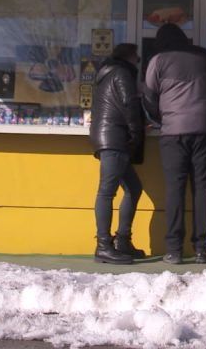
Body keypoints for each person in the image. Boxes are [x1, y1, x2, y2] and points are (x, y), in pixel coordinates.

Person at [143, 22, 206, 264]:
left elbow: (148, 97)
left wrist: (161, 119)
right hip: (204, 131)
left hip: (173, 133)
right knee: (202, 188)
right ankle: (201, 248)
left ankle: (174, 250)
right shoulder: (204, 56)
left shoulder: (158, 60)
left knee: (175, 189)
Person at [89, 43, 146, 264]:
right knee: (107, 191)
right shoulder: (122, 74)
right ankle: (103, 245)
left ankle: (123, 240)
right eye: (137, 58)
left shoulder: (107, 74)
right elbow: (129, 104)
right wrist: (136, 130)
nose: (139, 62)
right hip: (114, 137)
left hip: (108, 135)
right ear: (130, 58)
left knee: (133, 188)